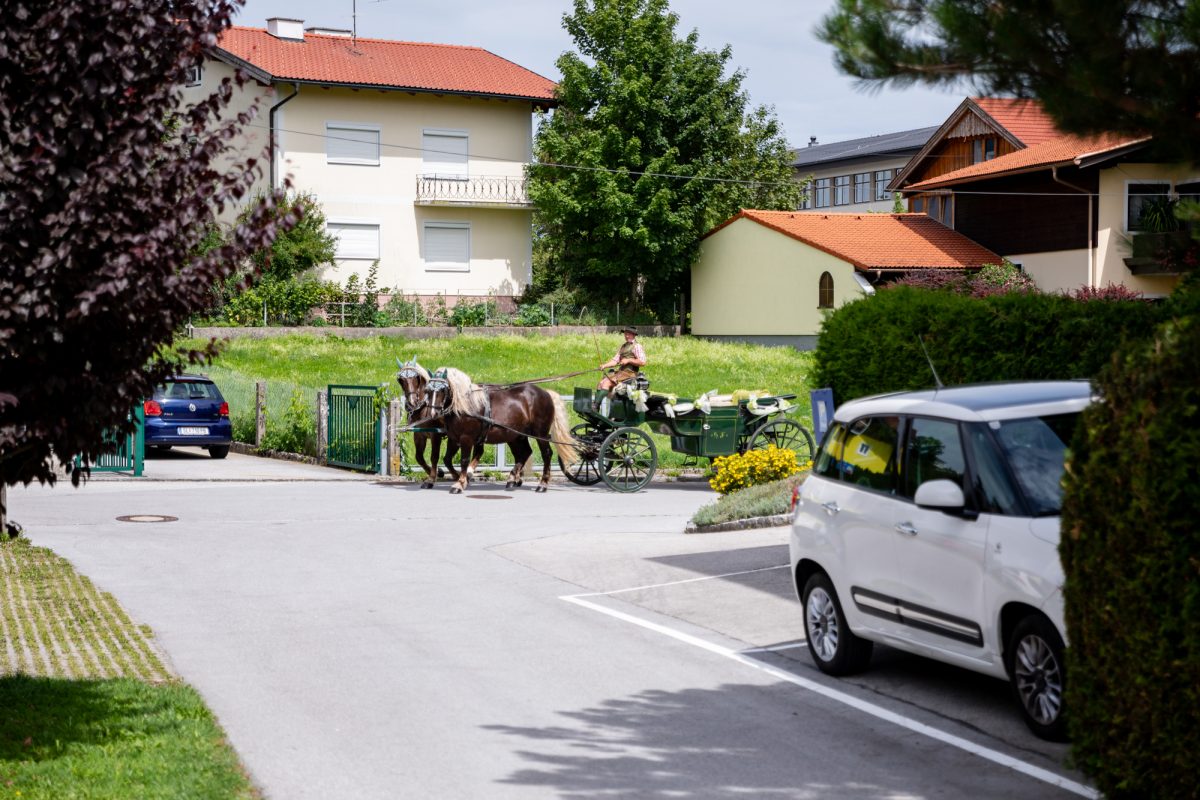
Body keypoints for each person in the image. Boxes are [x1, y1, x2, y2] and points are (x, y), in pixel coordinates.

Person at [596, 326, 647, 400]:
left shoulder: (637, 346)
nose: (626, 336)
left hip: (630, 374)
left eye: (629, 334)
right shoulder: (623, 346)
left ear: (633, 335)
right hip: (621, 373)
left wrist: (628, 360)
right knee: (600, 383)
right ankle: (596, 406)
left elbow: (643, 362)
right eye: (625, 334)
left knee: (606, 383)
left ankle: (595, 406)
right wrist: (604, 365)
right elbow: (615, 360)